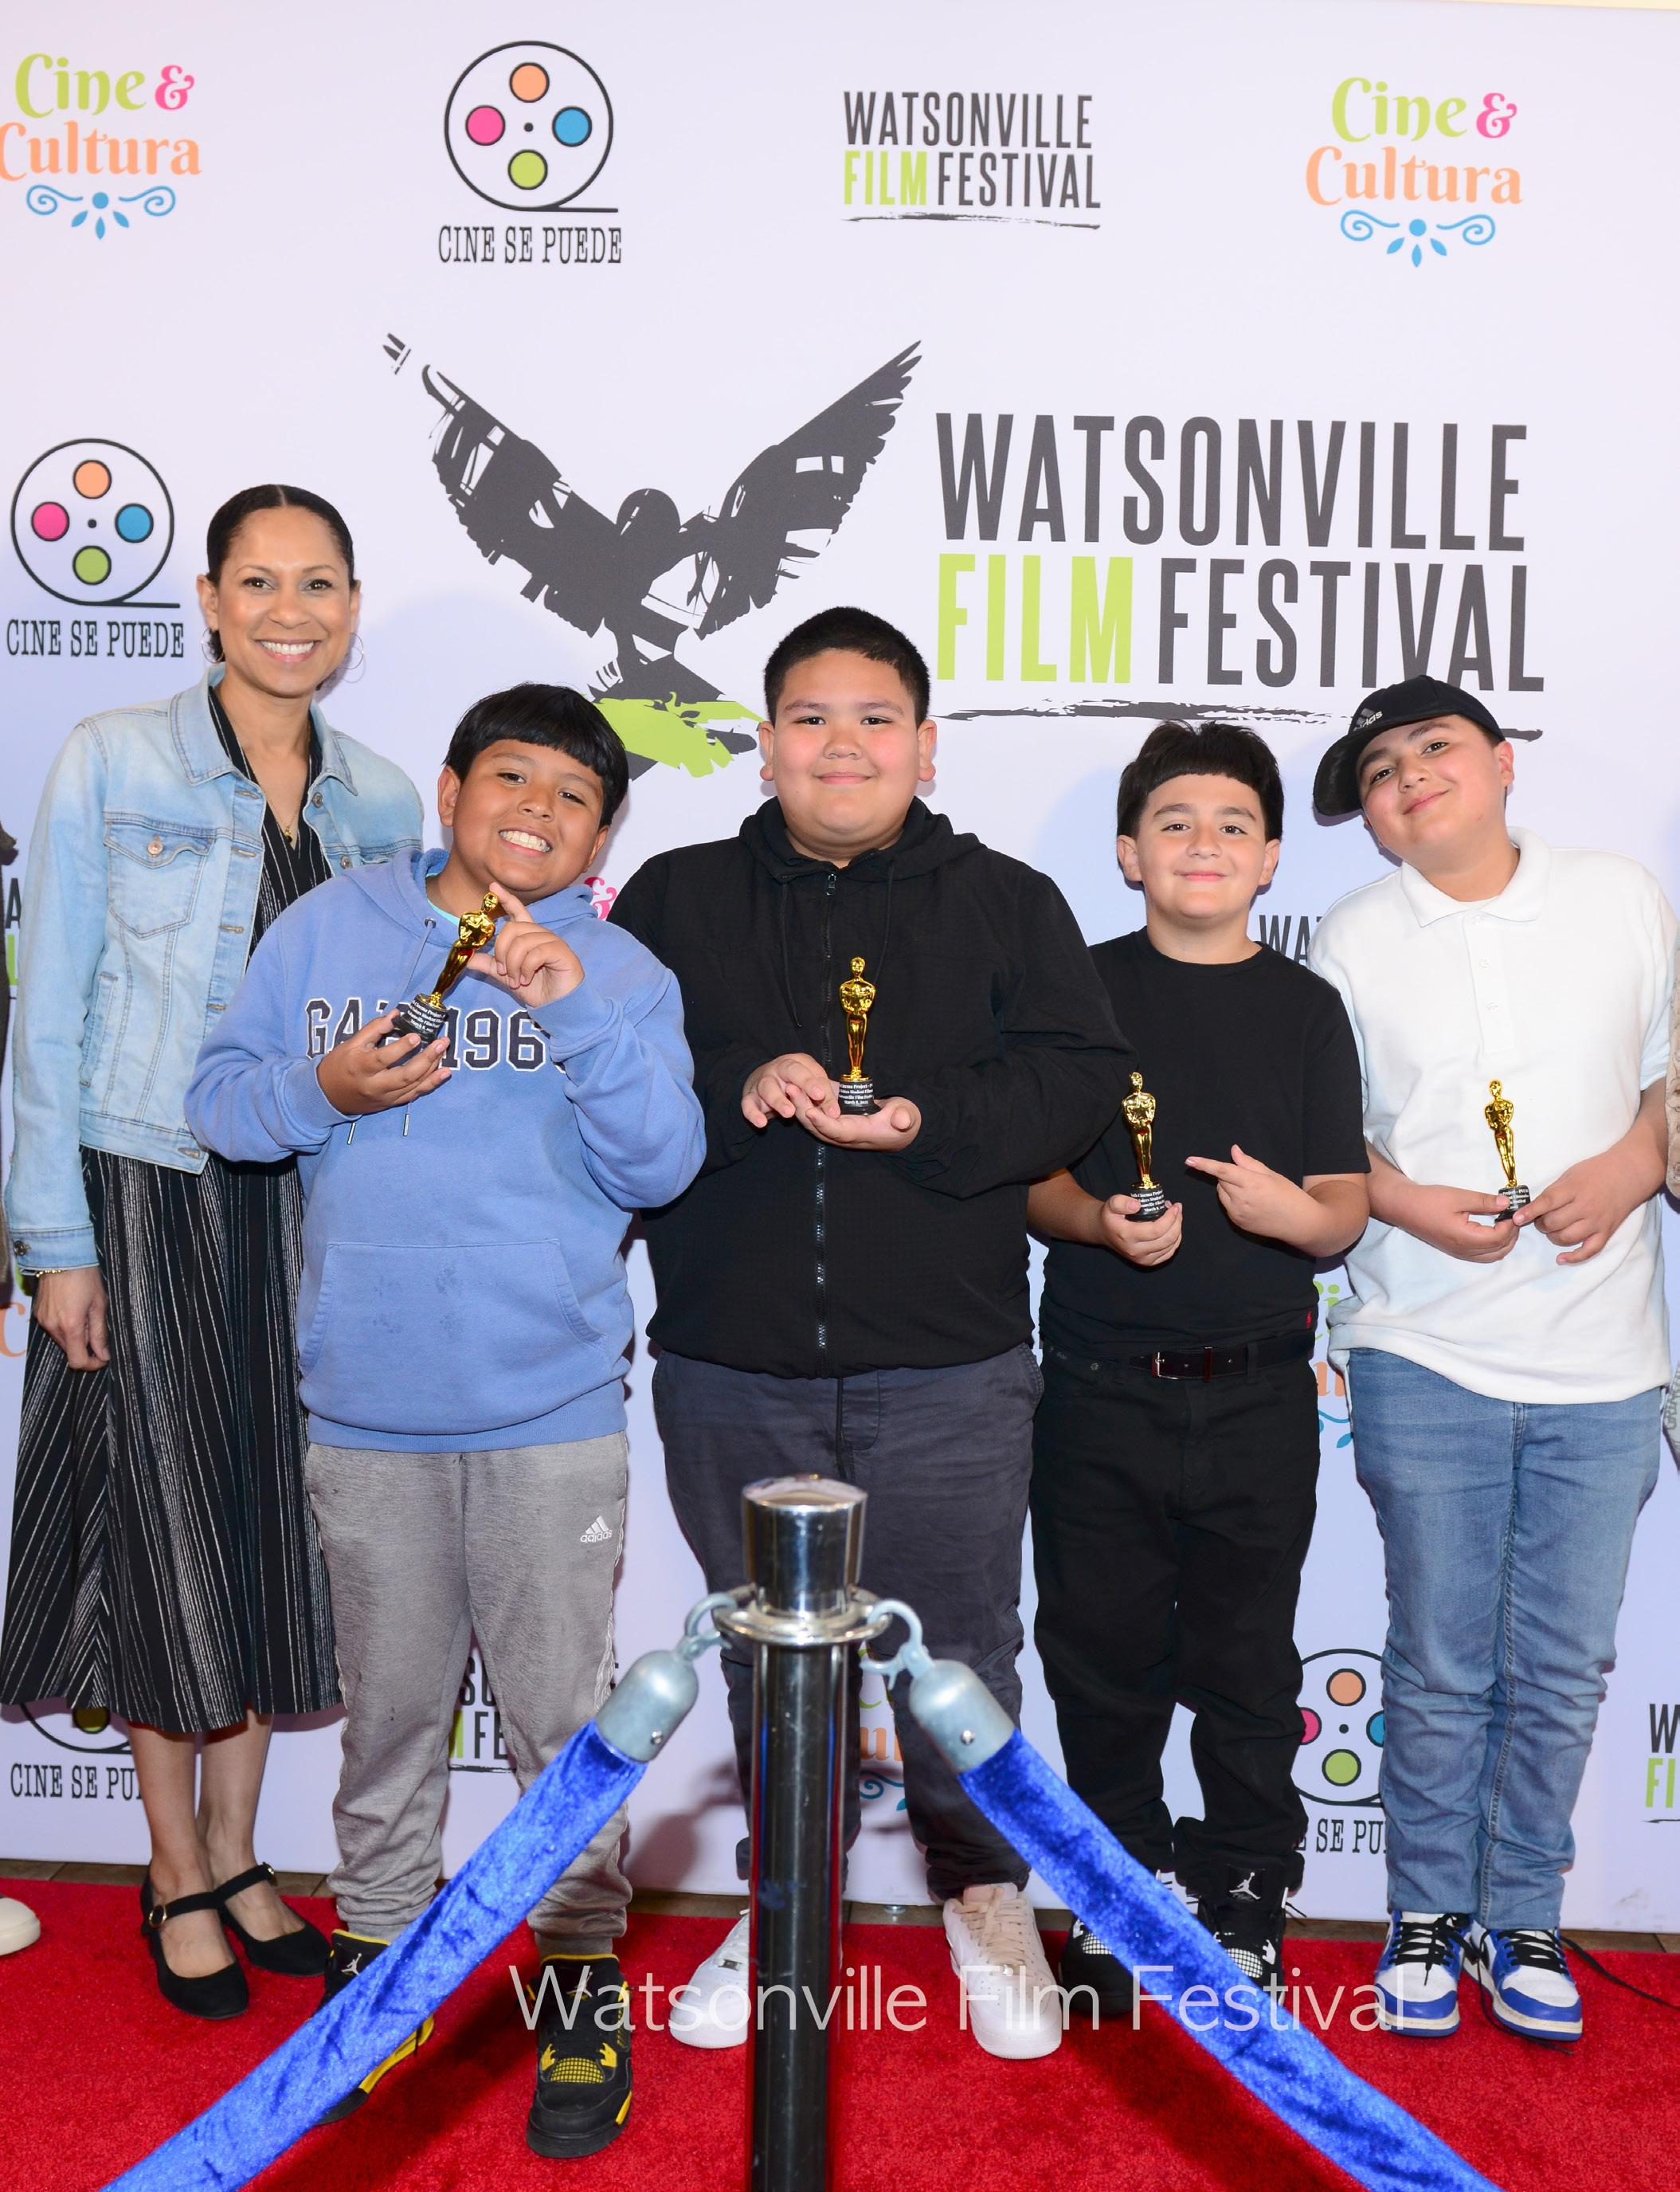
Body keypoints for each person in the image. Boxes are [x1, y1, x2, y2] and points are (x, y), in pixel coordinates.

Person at [186, 683, 705, 2156]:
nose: (536, 811)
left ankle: (578, 1979)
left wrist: (572, 1008)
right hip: (364, 1406)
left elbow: (664, 1164)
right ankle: (380, 1960)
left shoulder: (619, 969)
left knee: (561, 1726)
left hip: (547, 1412)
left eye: (574, 798)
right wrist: (323, 1087)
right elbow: (221, 1106)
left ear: (602, 834)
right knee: (392, 1718)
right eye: (512, 778)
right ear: (452, 786)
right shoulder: (327, 929)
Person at [609, 604, 1132, 2061]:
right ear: (766, 742)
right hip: (730, 1360)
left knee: (960, 1655)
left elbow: (1078, 1077)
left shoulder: (1007, 900)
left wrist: (923, 1121)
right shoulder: (675, 895)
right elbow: (610, 1068)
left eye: (874, 720)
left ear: (924, 743)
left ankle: (984, 1898)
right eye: (811, 719)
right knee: (766, 1658)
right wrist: (736, 1080)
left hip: (950, 1363)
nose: (843, 746)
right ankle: (785, 1903)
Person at [1, 485, 421, 2018]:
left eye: (318, 584)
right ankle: (172, 1865)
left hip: (310, 1204)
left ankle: (243, 1854)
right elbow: (50, 1009)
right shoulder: (113, 759)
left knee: (264, 1527)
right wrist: (55, 1240)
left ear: (352, 606)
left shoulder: (382, 801)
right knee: (163, 1529)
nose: (288, 612)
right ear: (208, 599)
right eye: (258, 582)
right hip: (147, 1184)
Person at [1309, 675, 1674, 2045]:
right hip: (1420, 1343)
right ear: (1370, 818)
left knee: (1565, 1667)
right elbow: (1325, 1128)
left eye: (1434, 747)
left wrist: (1634, 1164)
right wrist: (1405, 1203)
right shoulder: (1352, 936)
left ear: (1502, 759)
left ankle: (1521, 1911)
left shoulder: (1618, 895)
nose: (1408, 777)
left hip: (1606, 1356)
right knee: (1439, 1659)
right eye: (1380, 772)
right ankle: (1422, 1909)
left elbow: (1669, 1072)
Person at [1028, 723, 1368, 2010]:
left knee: (1246, 1657)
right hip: (1097, 1384)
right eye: (1173, 822)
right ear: (1129, 852)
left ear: (1271, 859)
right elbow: (1033, 1184)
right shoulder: (1073, 993)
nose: (1203, 844)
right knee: (1096, 1652)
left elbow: (1342, 1208)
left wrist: (1296, 1215)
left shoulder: (1305, 1007)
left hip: (1261, 1392)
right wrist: (1095, 1220)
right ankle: (1116, 1884)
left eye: (1233, 825)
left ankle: (1245, 1885)